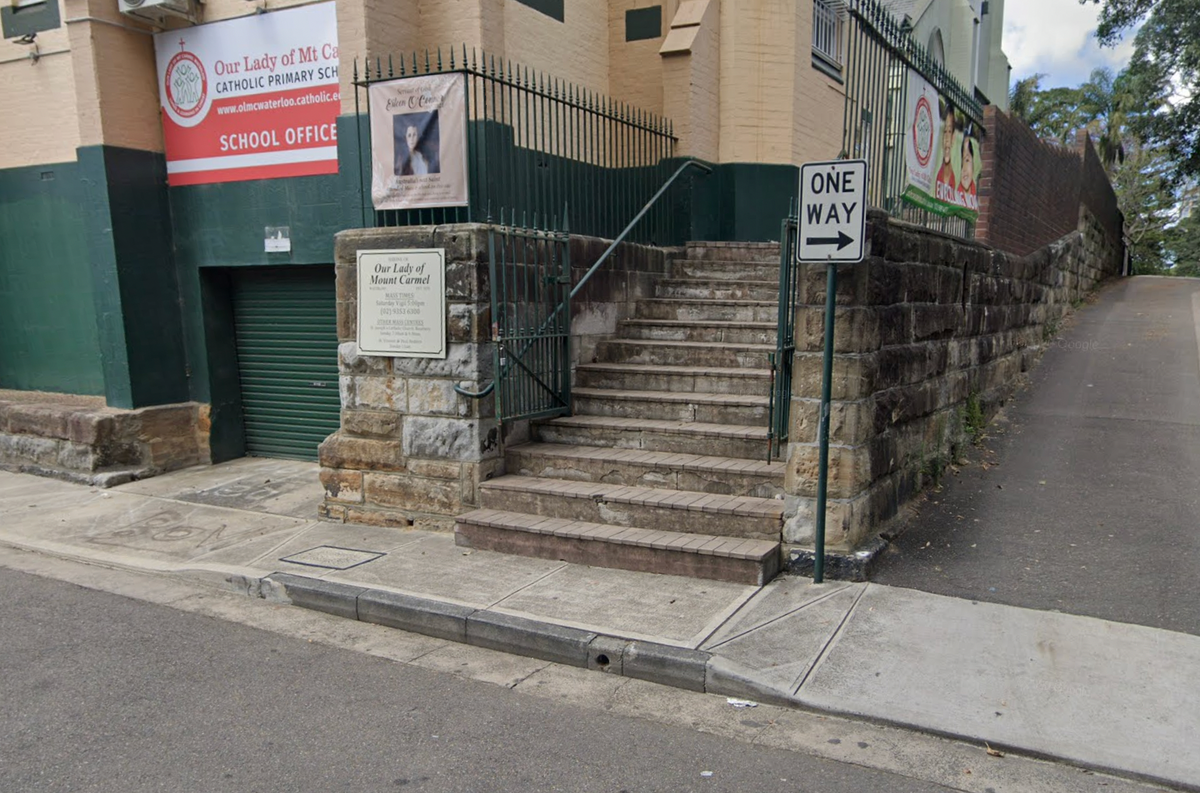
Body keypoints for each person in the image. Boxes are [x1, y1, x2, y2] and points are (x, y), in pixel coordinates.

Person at [934, 102, 957, 199]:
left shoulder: (958, 179)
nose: (946, 138)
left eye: (949, 131)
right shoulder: (934, 177)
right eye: (944, 132)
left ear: (953, 138)